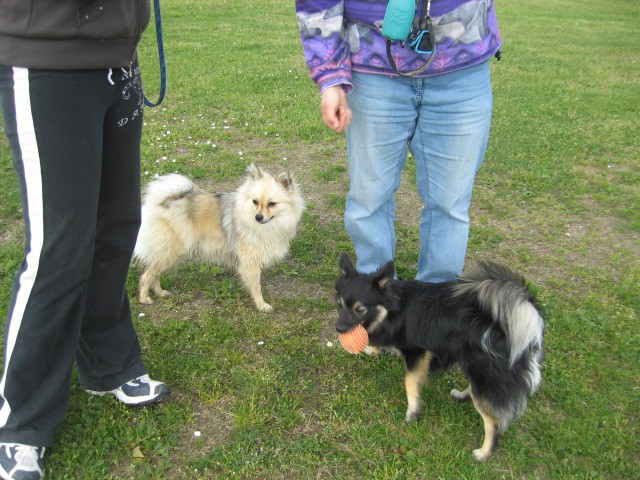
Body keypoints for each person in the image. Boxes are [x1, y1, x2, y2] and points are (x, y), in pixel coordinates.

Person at [0, 2, 170, 478]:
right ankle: (20, 421)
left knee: (116, 227)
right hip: (46, 61)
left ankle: (109, 365)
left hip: (118, 57)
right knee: (59, 248)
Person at [296, 0, 501, 282]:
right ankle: (373, 303)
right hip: (372, 66)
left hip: (463, 65)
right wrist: (330, 76)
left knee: (450, 203)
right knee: (369, 199)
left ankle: (434, 309)